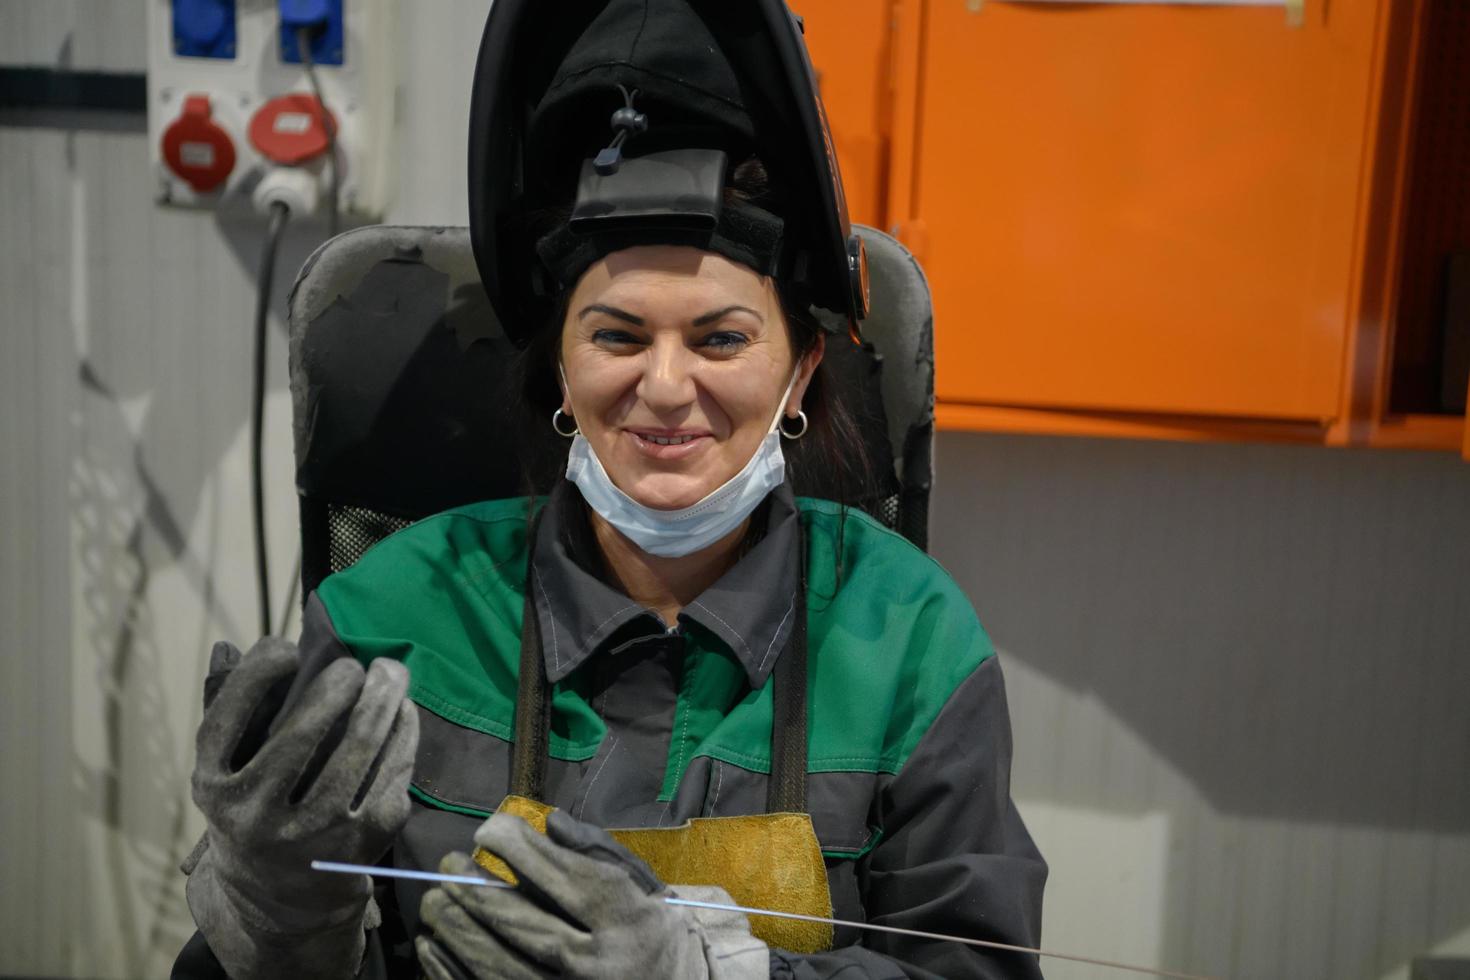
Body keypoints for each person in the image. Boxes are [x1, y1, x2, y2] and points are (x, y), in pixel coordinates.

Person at [173, 2, 1046, 978]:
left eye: (720, 338)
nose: (665, 388)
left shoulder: (912, 640)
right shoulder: (389, 611)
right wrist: (274, 923)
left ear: (801, 372)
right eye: (617, 335)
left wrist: (713, 973)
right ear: (560, 366)